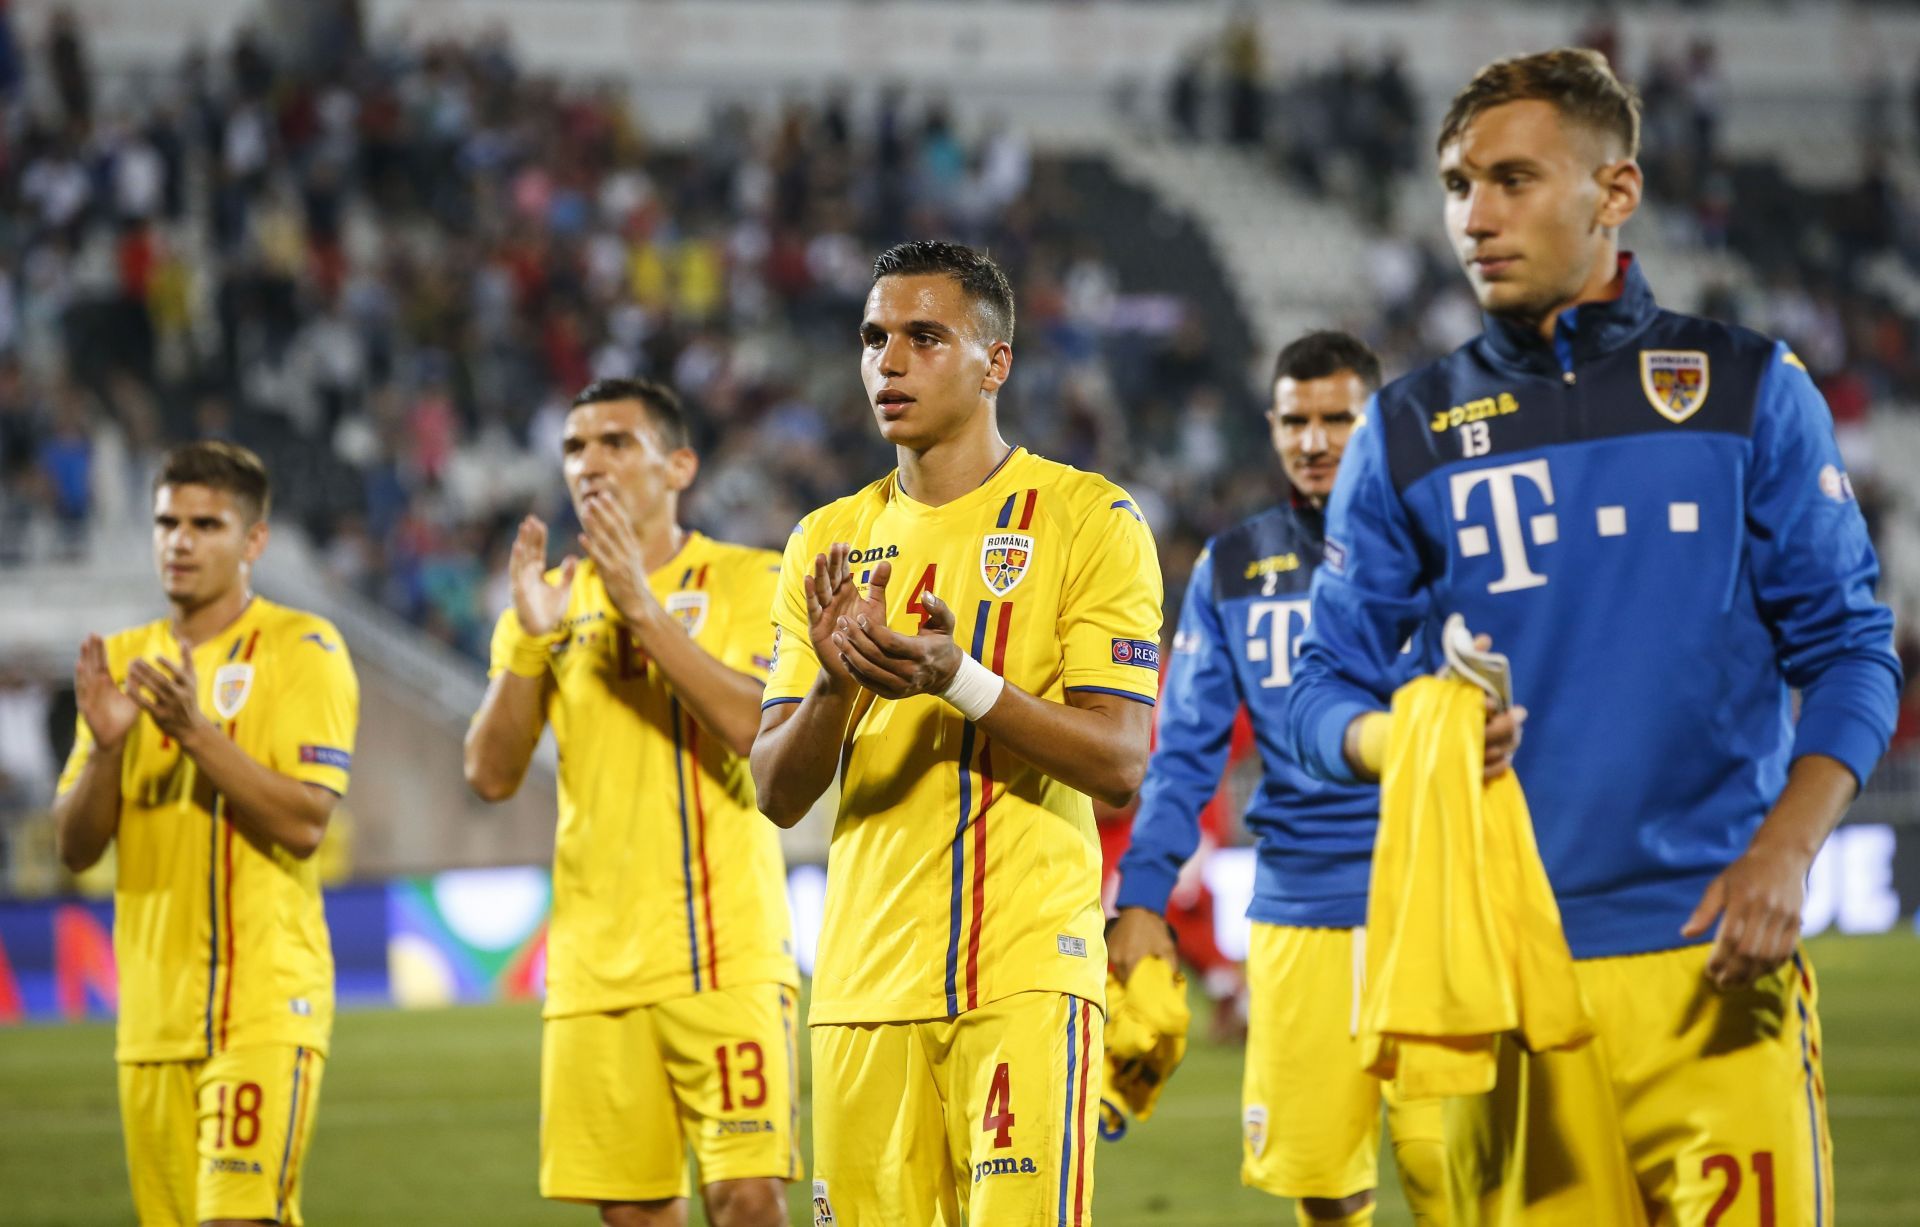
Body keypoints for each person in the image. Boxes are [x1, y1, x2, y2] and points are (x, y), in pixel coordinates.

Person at [1287, 49, 1900, 1225]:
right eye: (1460, 185)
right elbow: (1323, 684)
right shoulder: (1405, 431)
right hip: (1500, 976)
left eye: (1514, 179)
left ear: (1614, 193)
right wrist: (1402, 743)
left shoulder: (1747, 388)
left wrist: (1787, 850)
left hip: (1713, 971)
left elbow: (1851, 651)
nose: (1477, 216)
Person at [751, 239, 1162, 1225]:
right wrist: (836, 686)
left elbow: (1118, 761)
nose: (888, 362)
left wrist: (961, 680)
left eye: (923, 337)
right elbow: (774, 789)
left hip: (1021, 977)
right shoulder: (824, 539)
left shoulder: (1089, 519)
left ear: (995, 362)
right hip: (859, 992)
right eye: (874, 338)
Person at [1111, 331, 1444, 1227]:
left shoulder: (1445, 545)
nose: (1314, 439)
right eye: (1296, 419)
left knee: (1457, 1182)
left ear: (1381, 422)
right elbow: (1184, 752)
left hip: (1436, 898)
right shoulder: (1232, 567)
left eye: (1340, 418)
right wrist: (1142, 898)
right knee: (1324, 1192)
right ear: (1271, 425)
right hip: (1300, 909)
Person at [464, 378, 798, 1227]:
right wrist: (532, 643)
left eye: (616, 442)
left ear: (678, 464)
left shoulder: (751, 578)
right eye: (576, 447)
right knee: (637, 1215)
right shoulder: (549, 598)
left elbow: (757, 732)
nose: (589, 462)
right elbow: (490, 773)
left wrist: (642, 611)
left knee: (748, 1197)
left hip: (724, 947)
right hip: (594, 962)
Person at [53, 441, 359, 1227]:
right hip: (152, 1019)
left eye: (205, 524)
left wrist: (195, 731)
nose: (179, 541)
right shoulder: (121, 661)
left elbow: (304, 823)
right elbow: (75, 847)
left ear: (254, 540)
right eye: (166, 522)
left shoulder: (306, 648)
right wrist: (111, 747)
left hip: (264, 1002)